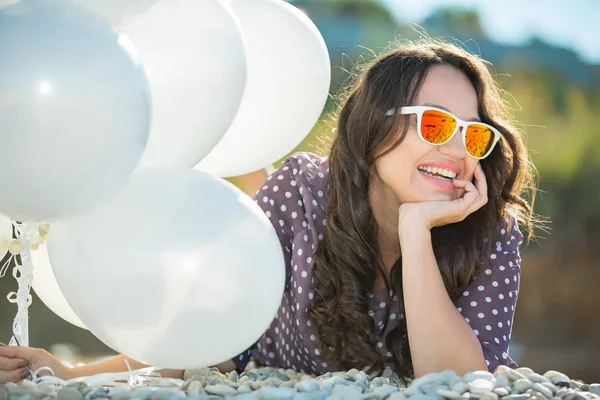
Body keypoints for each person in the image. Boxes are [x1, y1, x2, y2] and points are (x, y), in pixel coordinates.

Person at [0, 39, 536, 384]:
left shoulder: (491, 229)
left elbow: (458, 384)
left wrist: (415, 233)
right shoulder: (301, 194)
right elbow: (212, 328)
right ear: (375, 126)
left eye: (473, 132)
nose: (457, 147)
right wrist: (73, 373)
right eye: (436, 124)